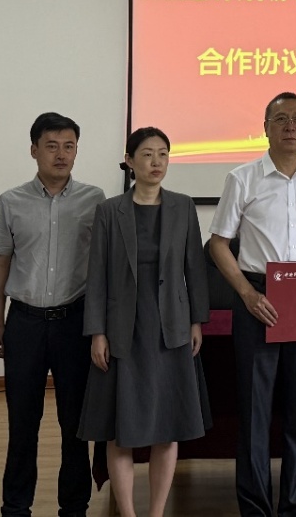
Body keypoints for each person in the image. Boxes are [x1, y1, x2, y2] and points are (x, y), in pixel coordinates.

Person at [208, 92, 296, 517]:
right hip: (258, 298)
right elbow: (218, 243)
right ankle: (255, 509)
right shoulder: (242, 178)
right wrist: (246, 294)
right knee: (254, 413)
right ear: (265, 127)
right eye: (280, 118)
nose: (290, 126)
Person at [78, 127, 210, 517]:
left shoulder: (183, 207)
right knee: (121, 428)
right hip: (124, 329)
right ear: (130, 161)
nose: (156, 162)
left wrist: (196, 321)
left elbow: (195, 269)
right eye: (148, 154)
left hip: (170, 327)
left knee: (167, 426)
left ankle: (155, 511)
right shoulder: (109, 210)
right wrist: (97, 332)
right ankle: (128, 513)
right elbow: (97, 275)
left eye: (163, 154)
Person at [0, 112, 106, 517]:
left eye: (69, 146)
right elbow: (0, 262)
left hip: (75, 322)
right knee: (23, 423)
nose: (61, 154)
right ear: (34, 150)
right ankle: (16, 506)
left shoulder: (95, 199)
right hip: (26, 323)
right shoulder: (11, 201)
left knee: (75, 424)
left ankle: (74, 507)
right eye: (51, 146)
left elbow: (103, 267)